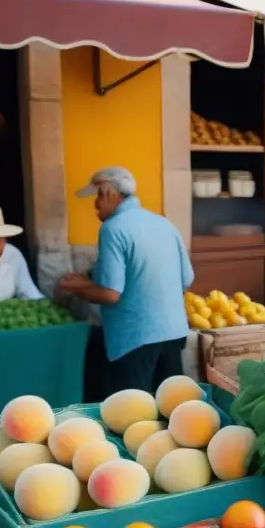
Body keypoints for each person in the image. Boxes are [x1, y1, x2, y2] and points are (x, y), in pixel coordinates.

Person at [57, 167, 193, 394]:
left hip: (135, 338)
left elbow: (110, 294)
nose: (96, 204)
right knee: (170, 409)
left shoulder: (112, 229)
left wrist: (79, 287)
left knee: (135, 415)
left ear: (113, 195)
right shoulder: (163, 223)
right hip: (173, 332)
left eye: (99, 196)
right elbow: (187, 278)